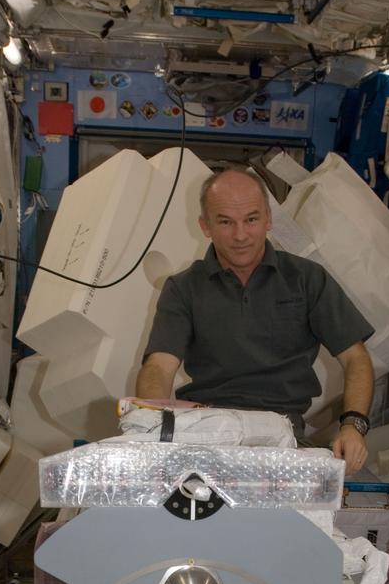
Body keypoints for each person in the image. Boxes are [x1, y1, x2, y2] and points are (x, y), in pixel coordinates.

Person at [135, 168, 375, 473]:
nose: (240, 235)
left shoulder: (307, 279)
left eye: (251, 219)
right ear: (205, 226)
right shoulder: (183, 288)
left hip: (282, 434)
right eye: (225, 222)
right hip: (206, 429)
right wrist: (151, 426)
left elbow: (356, 357)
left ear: (269, 219)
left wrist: (354, 425)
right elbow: (159, 366)